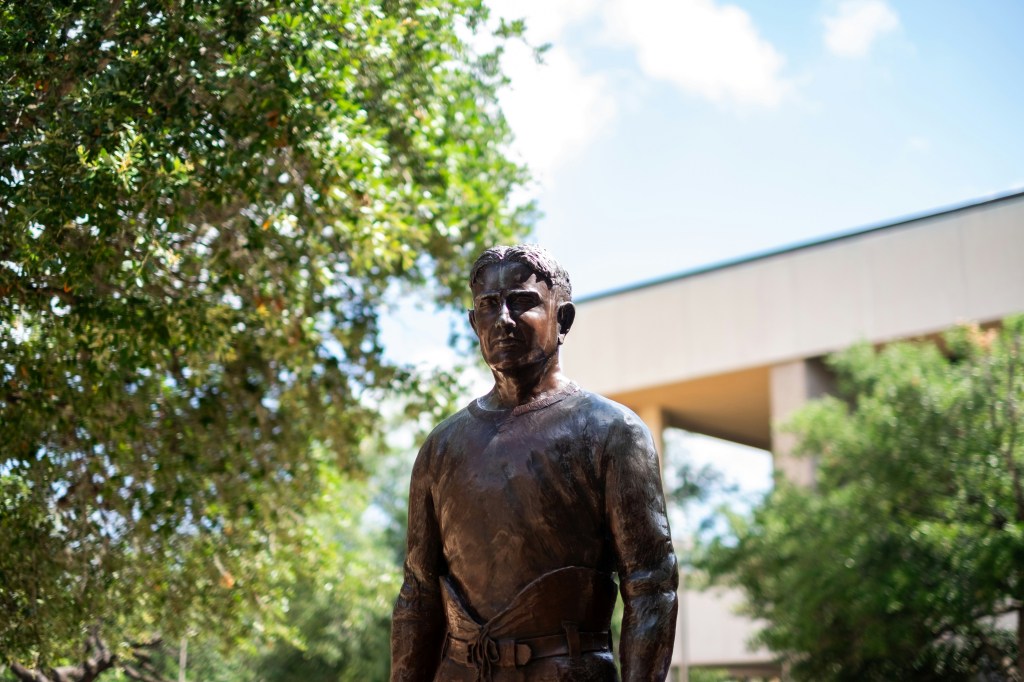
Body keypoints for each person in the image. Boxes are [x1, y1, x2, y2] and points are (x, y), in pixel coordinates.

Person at [391, 245, 678, 682]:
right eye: (488, 306)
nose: (503, 319)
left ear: (563, 319)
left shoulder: (612, 431)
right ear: (474, 323)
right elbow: (418, 595)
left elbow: (651, 586)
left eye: (522, 302)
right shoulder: (441, 447)